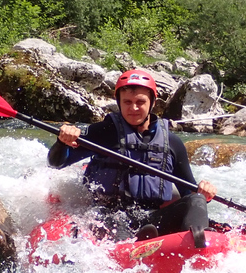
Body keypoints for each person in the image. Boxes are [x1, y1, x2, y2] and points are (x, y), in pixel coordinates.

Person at [47, 69, 217, 247]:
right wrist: (62, 143)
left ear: (152, 103)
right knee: (111, 219)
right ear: (119, 102)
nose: (133, 108)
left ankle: (198, 244)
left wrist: (204, 192)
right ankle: (133, 245)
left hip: (151, 216)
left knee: (196, 200)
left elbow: (188, 192)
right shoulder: (104, 133)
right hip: (108, 216)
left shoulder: (172, 143)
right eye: (127, 102)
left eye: (140, 102)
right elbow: (56, 163)